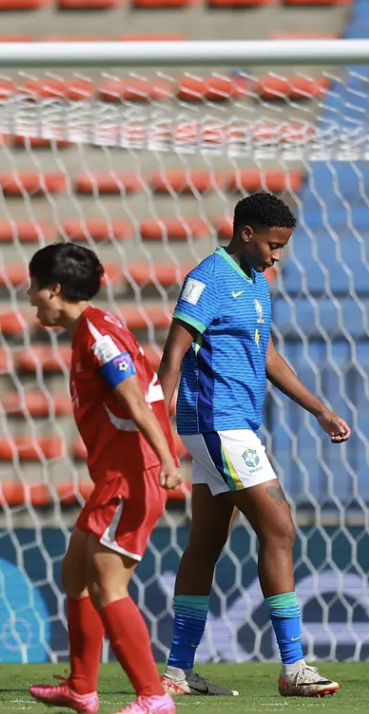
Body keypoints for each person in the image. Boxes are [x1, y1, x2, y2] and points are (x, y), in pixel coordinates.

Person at [158, 193, 348, 699]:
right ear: (245, 233)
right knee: (280, 528)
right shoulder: (210, 277)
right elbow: (174, 352)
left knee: (207, 542)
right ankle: (294, 666)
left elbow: (264, 354)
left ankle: (176, 671)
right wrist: (159, 421)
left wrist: (319, 409)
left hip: (233, 424)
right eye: (272, 244)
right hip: (217, 423)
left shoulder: (256, 283)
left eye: (282, 247)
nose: (276, 256)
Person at [25, 243, 182, 714]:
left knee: (107, 586)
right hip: (114, 477)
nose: (30, 296)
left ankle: (154, 698)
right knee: (74, 570)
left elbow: (135, 400)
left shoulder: (96, 335)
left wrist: (169, 460)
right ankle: (81, 687)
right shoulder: (90, 328)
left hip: (133, 478)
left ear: (55, 289)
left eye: (35, 286)